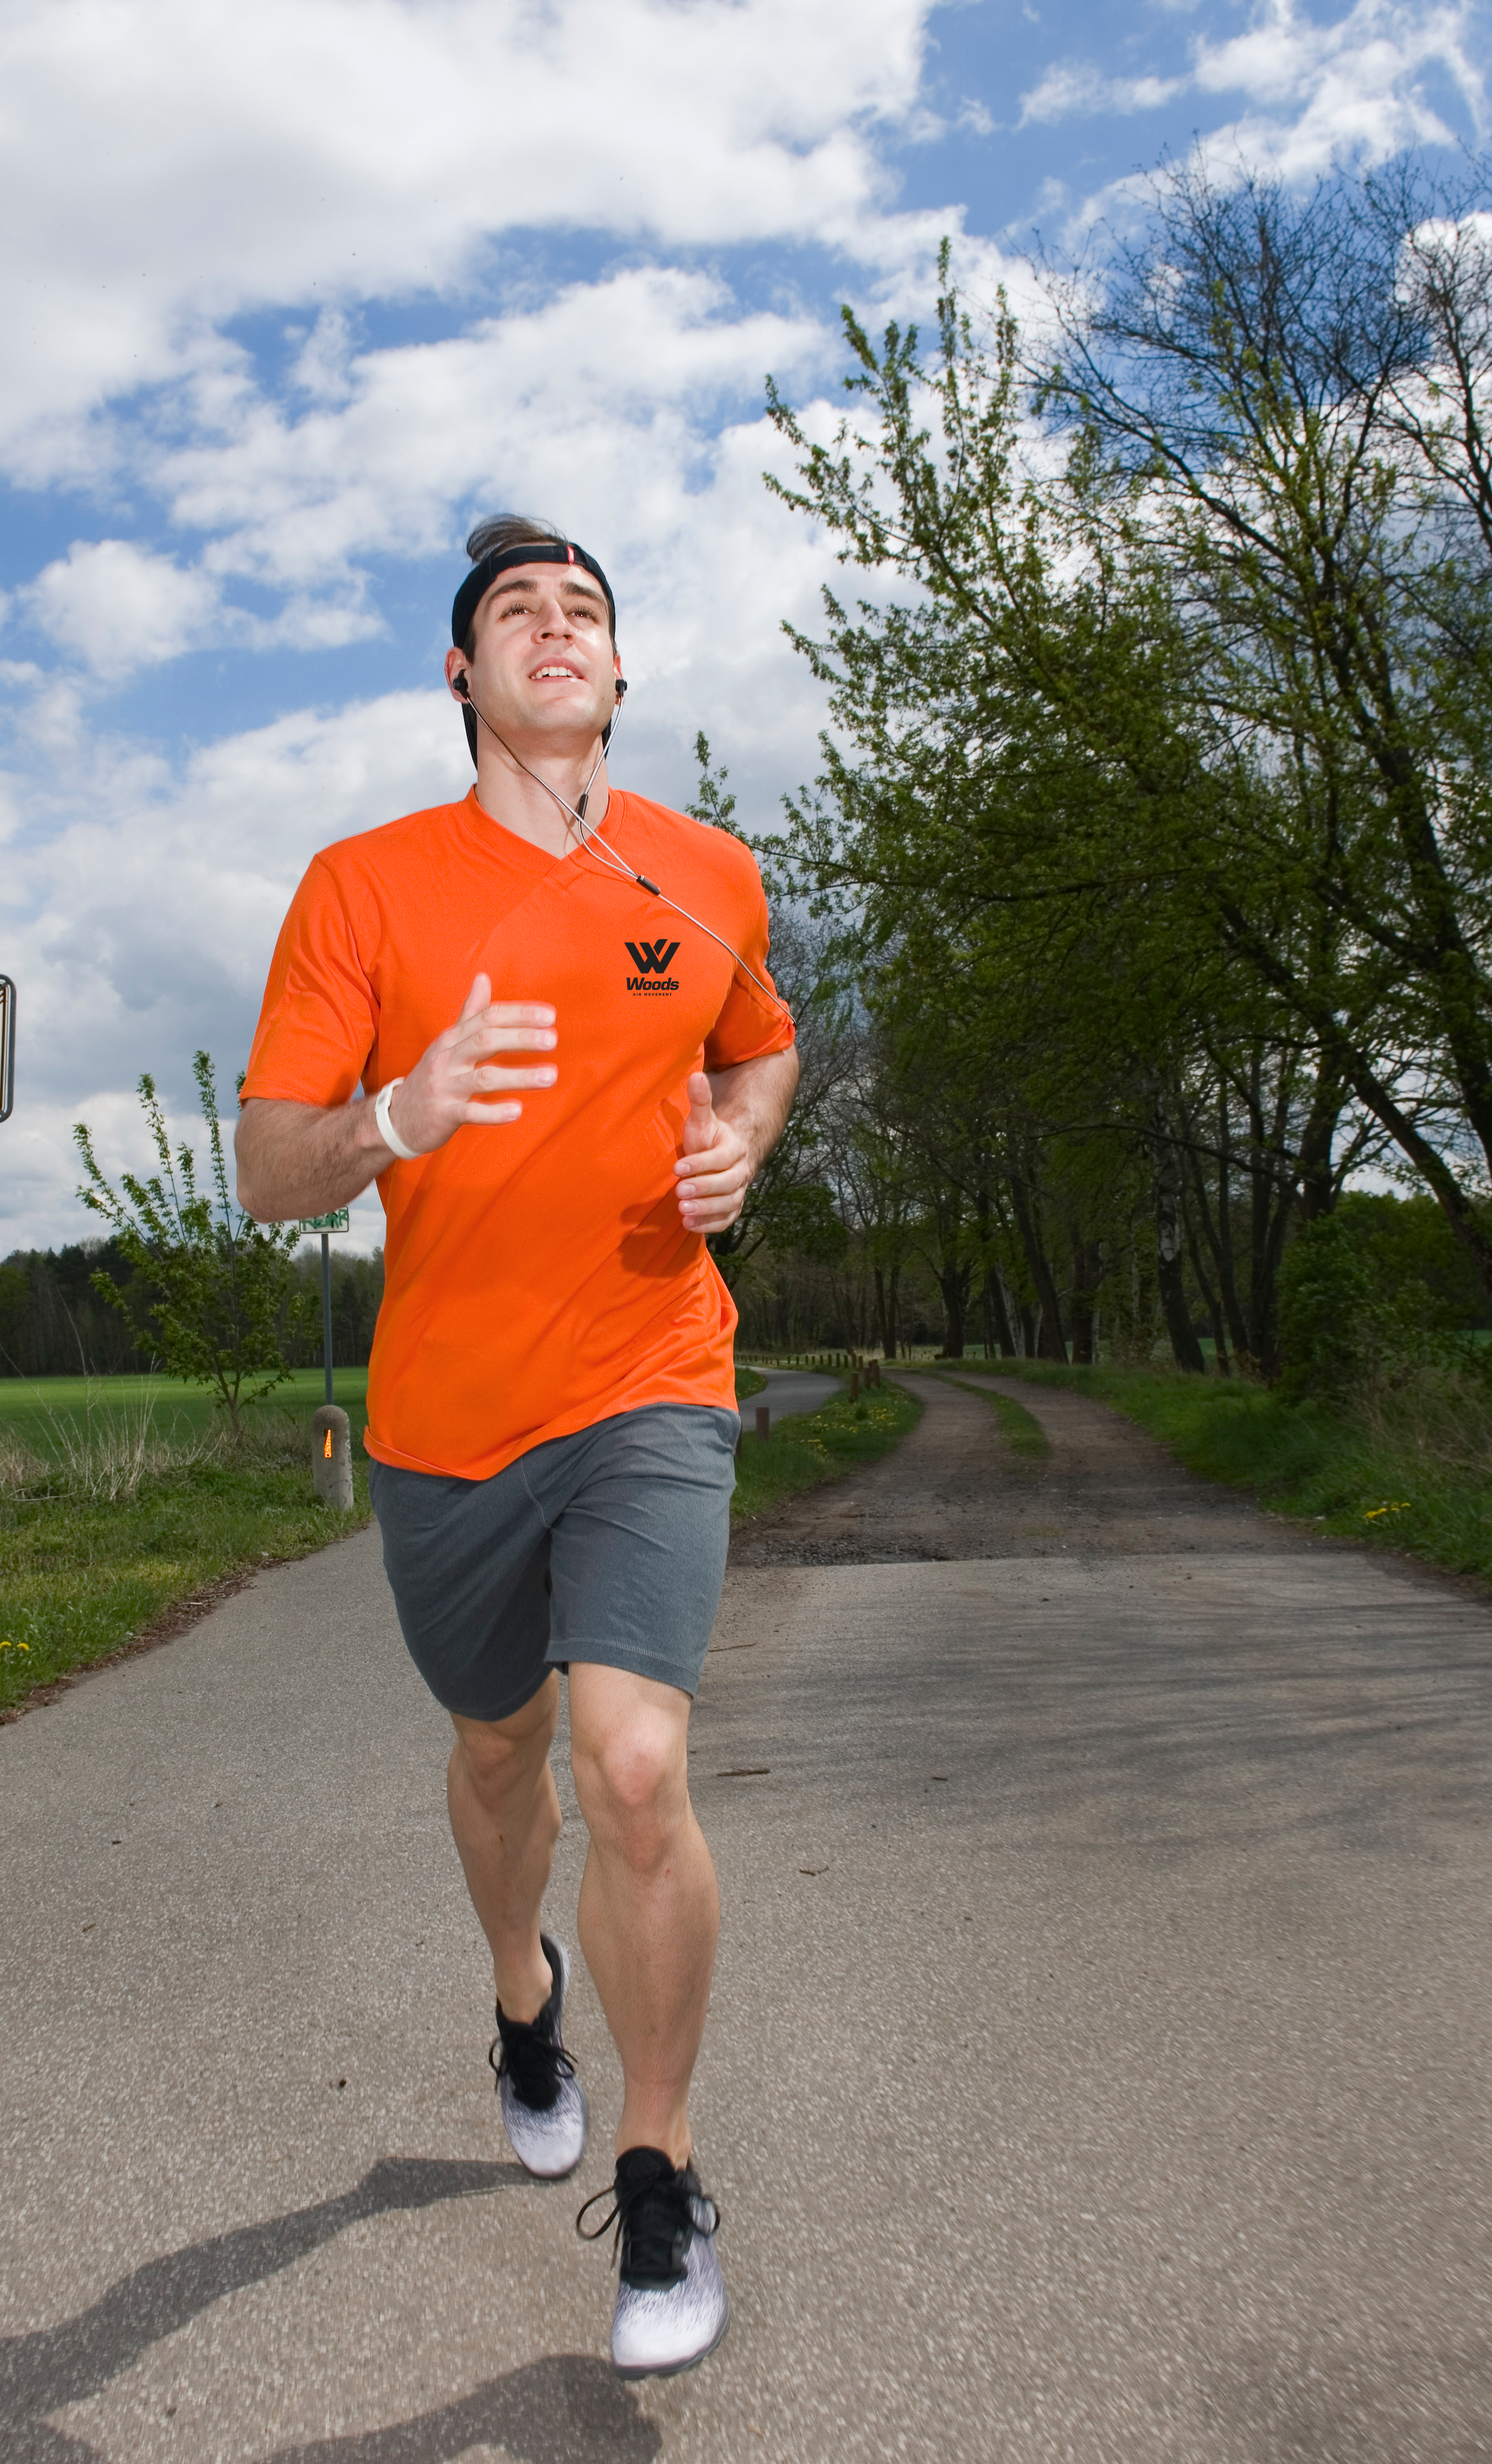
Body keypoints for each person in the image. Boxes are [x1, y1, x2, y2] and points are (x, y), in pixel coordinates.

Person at [235, 515, 798, 2379]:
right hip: (451, 1426)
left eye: (585, 612)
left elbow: (760, 1046)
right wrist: (396, 1111)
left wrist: (743, 1136)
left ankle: (659, 2172)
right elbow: (265, 1166)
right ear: (459, 676)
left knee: (632, 1768)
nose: (554, 632)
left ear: (620, 674)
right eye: (512, 613)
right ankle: (519, 1998)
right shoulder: (364, 888)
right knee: (500, 1755)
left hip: (654, 1374)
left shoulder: (709, 870)